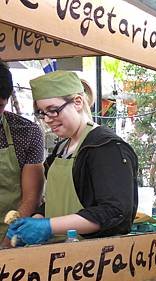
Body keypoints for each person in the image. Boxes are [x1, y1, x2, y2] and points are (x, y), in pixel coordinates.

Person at [7, 71, 138, 245]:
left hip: (90, 257)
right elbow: (59, 200)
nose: (47, 120)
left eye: (53, 111)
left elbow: (115, 212)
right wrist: (37, 218)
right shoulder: (62, 148)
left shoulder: (105, 147)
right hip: (56, 252)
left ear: (77, 102)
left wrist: (49, 226)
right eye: (42, 113)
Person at [0, 59, 45, 247]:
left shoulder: (27, 132)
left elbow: (31, 198)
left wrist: (7, 244)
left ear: (8, 99)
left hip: (12, 234)